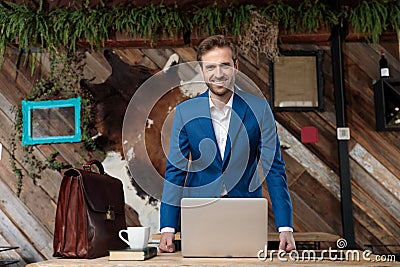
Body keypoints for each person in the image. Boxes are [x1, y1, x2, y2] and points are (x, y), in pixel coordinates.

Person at [159, 35, 296, 253]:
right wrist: (167, 227)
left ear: (236, 67)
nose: (218, 74)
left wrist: (285, 227)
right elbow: (175, 171)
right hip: (199, 215)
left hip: (245, 212)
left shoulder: (259, 109)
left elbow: (274, 169)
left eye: (225, 65)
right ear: (202, 71)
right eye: (210, 67)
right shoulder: (186, 112)